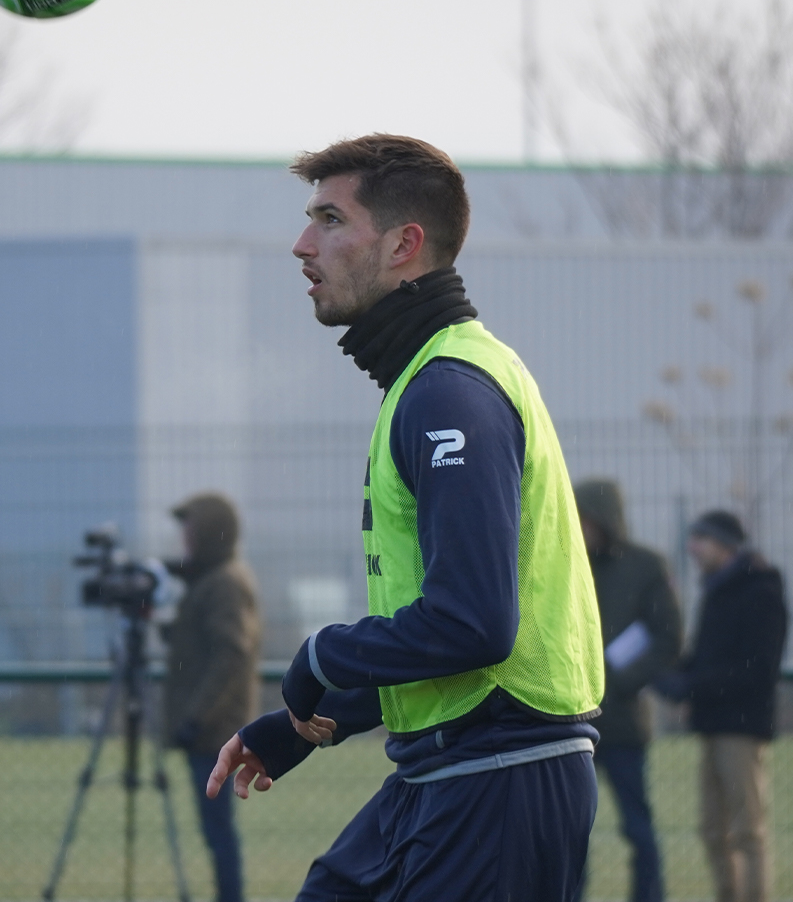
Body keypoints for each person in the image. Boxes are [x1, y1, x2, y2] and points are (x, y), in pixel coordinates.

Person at [206, 134, 605, 901]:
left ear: (403, 245)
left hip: (501, 780)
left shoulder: (450, 392)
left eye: (329, 218)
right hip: (448, 771)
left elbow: (474, 624)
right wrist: (305, 723)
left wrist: (323, 658)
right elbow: (451, 636)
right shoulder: (428, 381)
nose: (301, 244)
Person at [655, 510, 788, 902]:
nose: (692, 548)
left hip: (742, 728)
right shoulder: (718, 590)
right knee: (714, 830)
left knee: (749, 830)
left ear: (725, 544)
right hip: (713, 723)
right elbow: (707, 657)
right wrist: (671, 674)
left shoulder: (760, 592)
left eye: (701, 539)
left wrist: (692, 685)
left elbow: (757, 668)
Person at [575, 479, 683, 902]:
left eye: (585, 517)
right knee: (572, 831)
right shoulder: (567, 563)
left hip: (622, 725)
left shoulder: (647, 567)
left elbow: (668, 638)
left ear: (604, 519)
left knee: (638, 829)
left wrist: (616, 681)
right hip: (573, 725)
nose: (578, 526)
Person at [162, 492, 262, 902]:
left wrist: (196, 718)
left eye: (190, 527)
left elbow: (230, 654)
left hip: (214, 732)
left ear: (208, 532)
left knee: (218, 832)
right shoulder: (215, 579)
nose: (184, 536)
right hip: (212, 728)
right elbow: (207, 642)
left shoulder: (223, 583)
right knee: (216, 831)